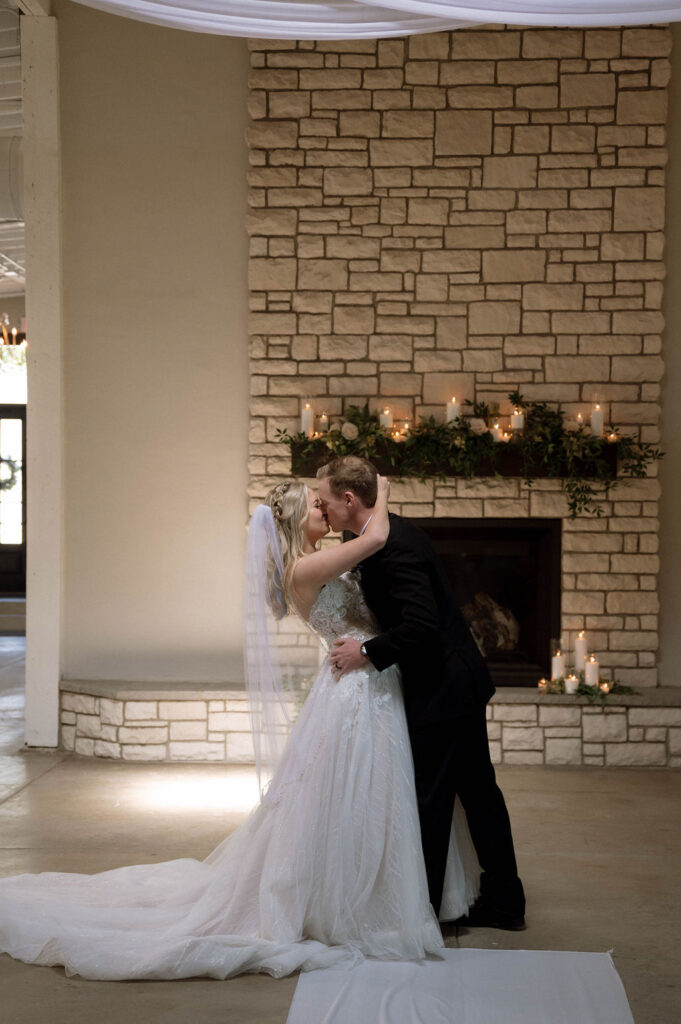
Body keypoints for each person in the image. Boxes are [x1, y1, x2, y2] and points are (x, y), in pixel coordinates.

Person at [0, 477, 478, 982]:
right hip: (355, 687)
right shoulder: (307, 566)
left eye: (324, 502)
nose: (324, 509)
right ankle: (355, 900)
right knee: (357, 792)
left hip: (368, 680)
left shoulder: (320, 556)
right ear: (297, 520)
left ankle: (386, 887)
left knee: (373, 793)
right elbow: (377, 539)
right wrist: (379, 490)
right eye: (316, 505)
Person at [317, 456, 526, 931]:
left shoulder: (396, 547)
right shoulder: (368, 536)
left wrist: (366, 652)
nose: (321, 508)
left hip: (444, 687)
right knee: (477, 791)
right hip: (455, 681)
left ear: (348, 499)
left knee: (433, 797)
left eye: (325, 500)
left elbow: (421, 625)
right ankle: (505, 901)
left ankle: (426, 912)